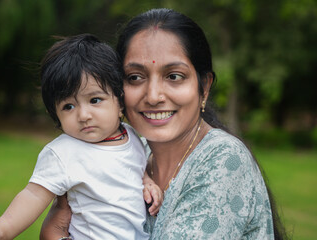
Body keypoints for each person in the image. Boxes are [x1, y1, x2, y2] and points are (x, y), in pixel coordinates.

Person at [41, 8, 288, 240]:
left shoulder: (224, 160)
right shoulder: (133, 155)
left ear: (204, 88)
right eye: (135, 77)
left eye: (174, 76)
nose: (153, 96)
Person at [0, 34, 163, 240]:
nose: (83, 115)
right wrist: (1, 229)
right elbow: (33, 195)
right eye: (68, 106)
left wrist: (147, 182)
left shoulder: (130, 135)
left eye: (95, 100)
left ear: (120, 101)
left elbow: (132, 168)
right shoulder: (64, 152)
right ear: (56, 115)